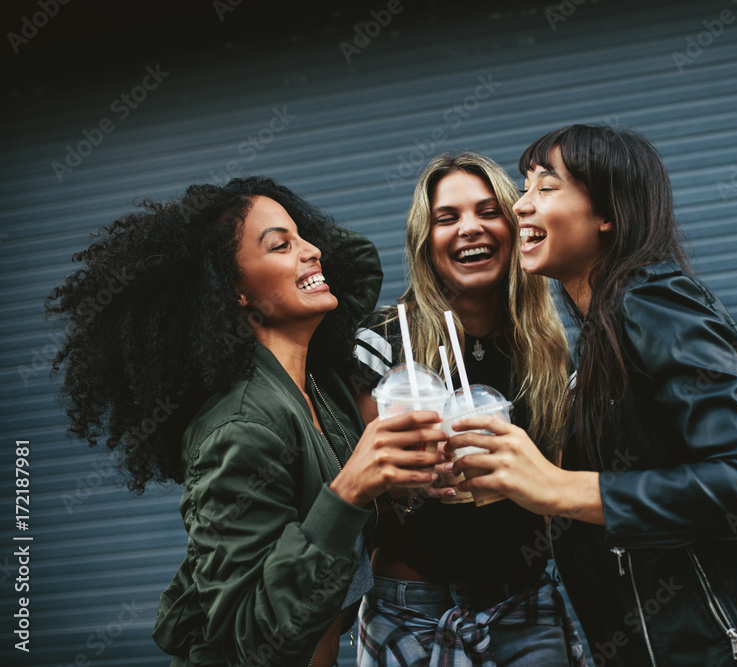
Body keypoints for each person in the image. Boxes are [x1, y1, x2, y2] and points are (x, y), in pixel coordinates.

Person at [446, 125, 737, 666]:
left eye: (546, 188)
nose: (520, 206)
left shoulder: (655, 302)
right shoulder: (599, 343)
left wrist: (558, 488)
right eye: (524, 187)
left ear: (608, 214)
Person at [45, 176, 447, 667]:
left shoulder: (316, 377)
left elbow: (356, 261)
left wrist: (277, 225)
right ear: (233, 290)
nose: (314, 250)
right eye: (281, 245)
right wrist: (349, 493)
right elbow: (249, 640)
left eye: (305, 234)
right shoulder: (241, 430)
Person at [350, 152, 584, 666]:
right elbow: (362, 487)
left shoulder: (547, 348)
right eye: (447, 218)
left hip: (523, 605)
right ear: (424, 240)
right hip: (412, 610)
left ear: (513, 224)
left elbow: (559, 488)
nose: (469, 228)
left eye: (487, 211)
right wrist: (407, 484)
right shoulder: (386, 343)